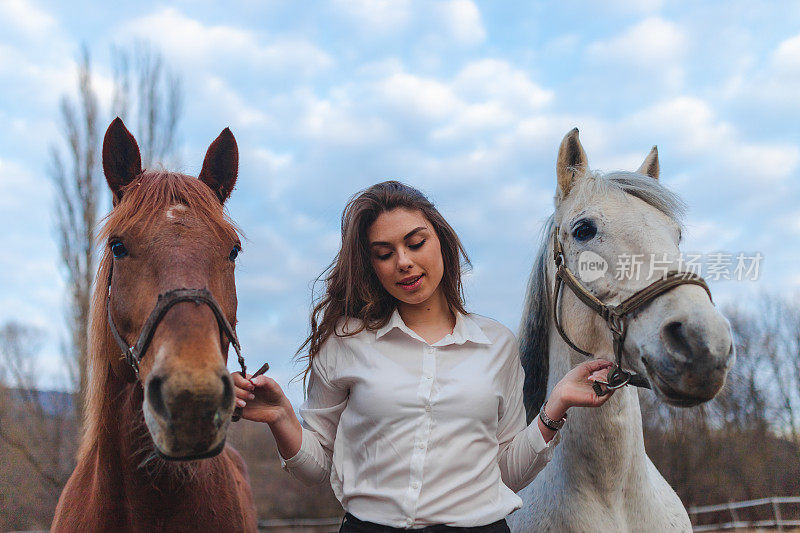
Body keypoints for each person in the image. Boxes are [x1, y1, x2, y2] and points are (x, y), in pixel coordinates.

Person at [233, 181, 616, 532]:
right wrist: (280, 415)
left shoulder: (497, 344)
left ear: (442, 243)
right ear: (371, 266)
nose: (403, 261)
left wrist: (556, 405)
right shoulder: (345, 341)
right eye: (384, 253)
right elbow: (316, 469)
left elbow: (504, 473)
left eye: (415, 243)